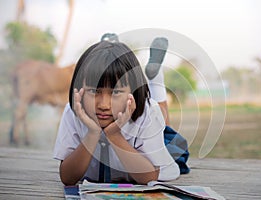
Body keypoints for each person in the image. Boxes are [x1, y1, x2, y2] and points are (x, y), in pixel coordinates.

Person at [53, 37, 180, 186]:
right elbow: (67, 178)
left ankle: (156, 79)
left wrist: (114, 135)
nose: (104, 105)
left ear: (133, 91)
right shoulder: (74, 110)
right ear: (79, 89)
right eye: (94, 91)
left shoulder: (148, 111)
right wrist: (92, 134)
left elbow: (149, 177)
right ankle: (110, 48)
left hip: (149, 151)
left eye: (116, 92)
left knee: (166, 128)